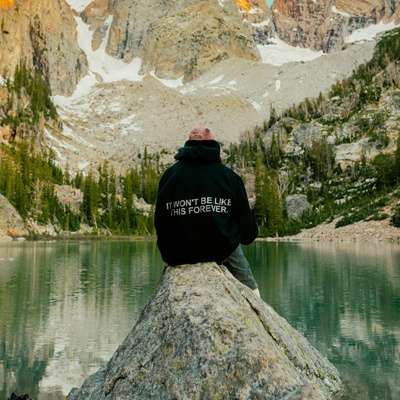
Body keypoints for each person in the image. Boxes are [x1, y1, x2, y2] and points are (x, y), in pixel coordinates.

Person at [154, 127, 260, 297]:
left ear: (188, 144)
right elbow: (248, 235)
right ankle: (255, 301)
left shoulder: (169, 176)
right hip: (220, 250)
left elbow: (160, 222)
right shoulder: (229, 177)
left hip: (178, 254)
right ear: (213, 144)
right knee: (247, 281)